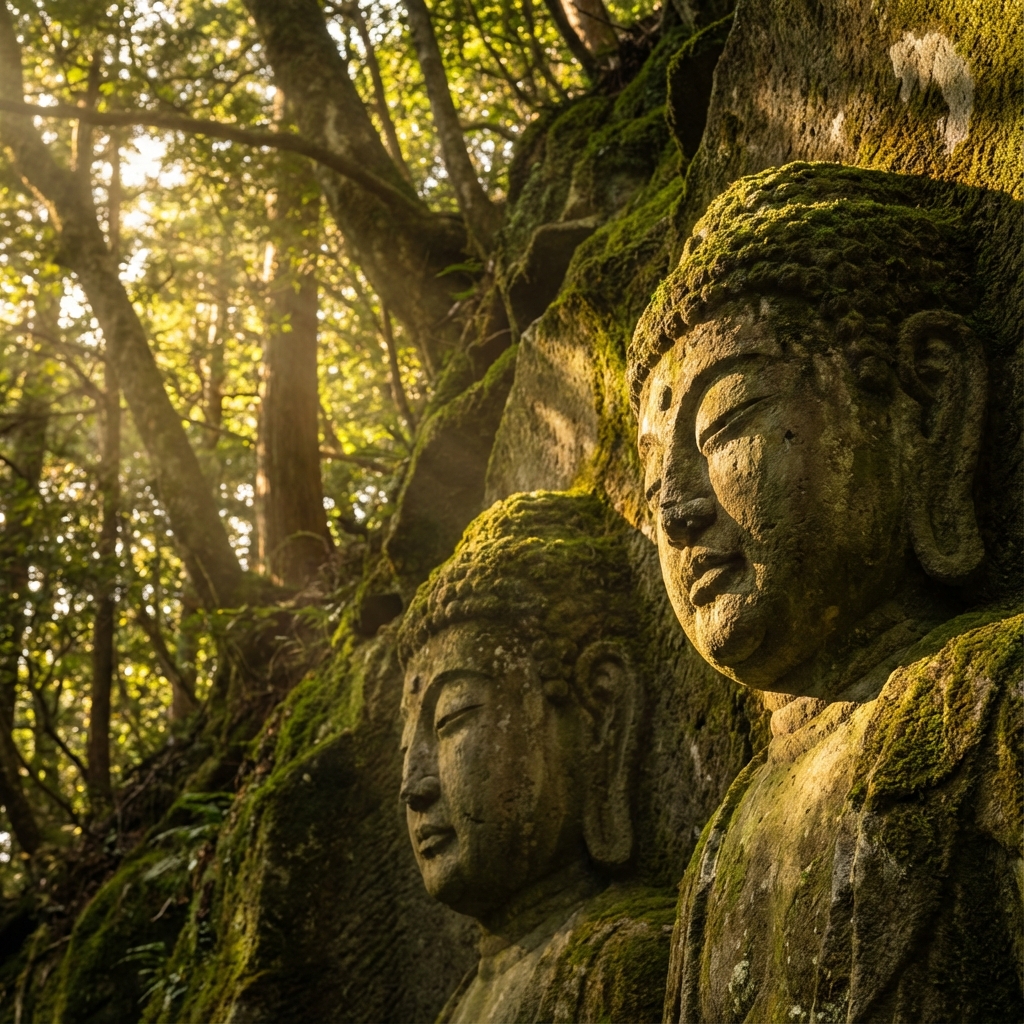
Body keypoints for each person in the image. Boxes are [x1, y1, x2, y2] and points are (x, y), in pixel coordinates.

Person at [628, 162, 1022, 1023]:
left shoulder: (997, 704)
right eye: (654, 484)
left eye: (727, 422)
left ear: (929, 402)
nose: (679, 513)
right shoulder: (725, 841)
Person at [397, 490, 674, 1024]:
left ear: (599, 712)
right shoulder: (457, 1009)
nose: (414, 784)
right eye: (406, 747)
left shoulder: (614, 972)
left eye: (452, 719)